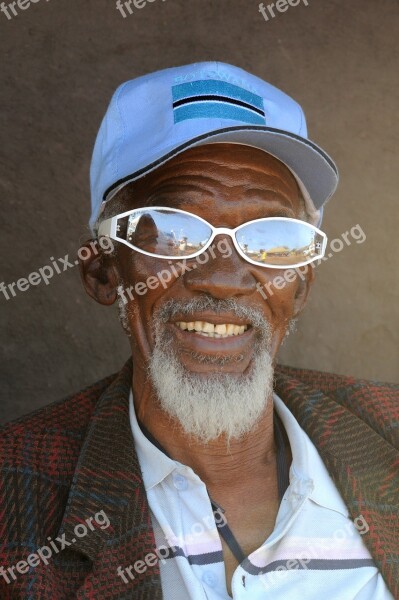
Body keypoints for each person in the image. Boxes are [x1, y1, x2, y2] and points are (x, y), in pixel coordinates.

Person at [0, 62, 397, 600]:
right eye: (172, 230)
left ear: (301, 286)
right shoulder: (15, 492)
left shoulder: (386, 435)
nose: (223, 279)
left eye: (270, 236)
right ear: (102, 271)